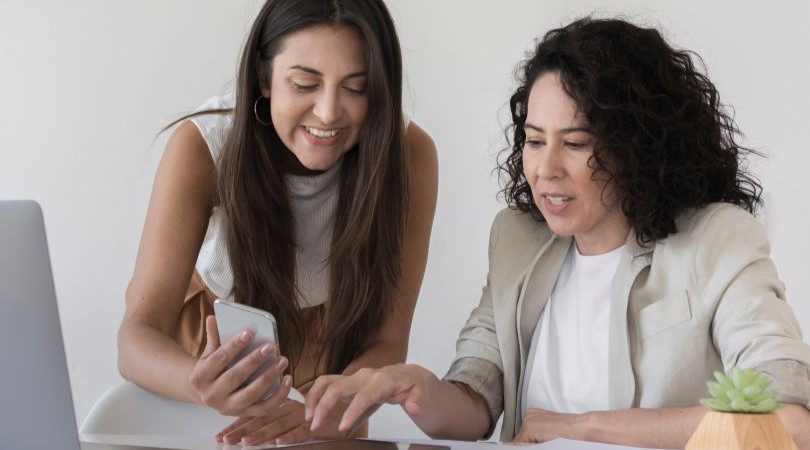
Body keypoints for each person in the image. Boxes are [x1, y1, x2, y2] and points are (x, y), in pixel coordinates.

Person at [304, 17, 810, 448]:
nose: (545, 169)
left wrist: (582, 428)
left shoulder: (717, 241)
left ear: (638, 147)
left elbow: (789, 424)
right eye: (533, 141)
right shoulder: (517, 240)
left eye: (575, 143)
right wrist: (417, 388)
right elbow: (475, 404)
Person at [117, 0, 438, 446]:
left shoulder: (409, 156)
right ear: (264, 76)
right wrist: (199, 382)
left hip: (337, 372)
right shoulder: (204, 146)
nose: (328, 112)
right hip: (210, 347)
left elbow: (388, 340)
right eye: (305, 83)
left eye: (356, 87)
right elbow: (135, 340)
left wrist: (330, 412)